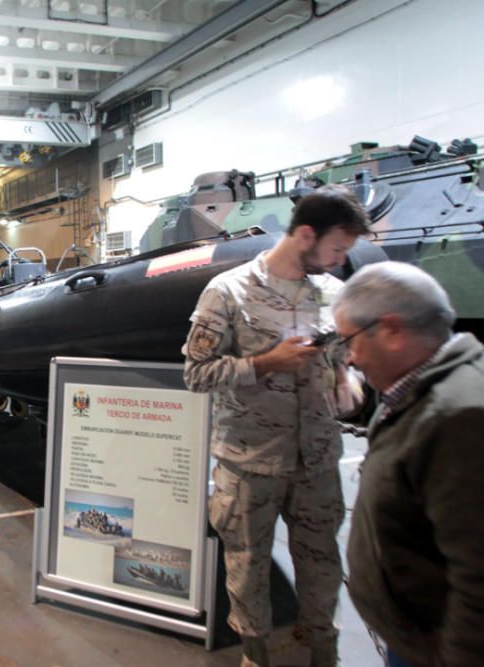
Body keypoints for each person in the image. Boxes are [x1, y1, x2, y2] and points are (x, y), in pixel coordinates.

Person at [182, 187, 370, 667]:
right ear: (306, 235)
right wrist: (265, 363)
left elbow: (345, 359)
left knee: (323, 563)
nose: (339, 260)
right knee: (246, 567)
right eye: (337, 248)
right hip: (249, 462)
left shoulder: (333, 292)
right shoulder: (228, 291)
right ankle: (256, 655)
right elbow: (196, 374)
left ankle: (324, 651)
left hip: (318, 461)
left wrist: (351, 381)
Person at [332, 262, 484, 667]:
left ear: (392, 330)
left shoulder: (460, 416)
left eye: (350, 340)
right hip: (414, 634)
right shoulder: (422, 391)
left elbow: (477, 576)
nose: (349, 358)